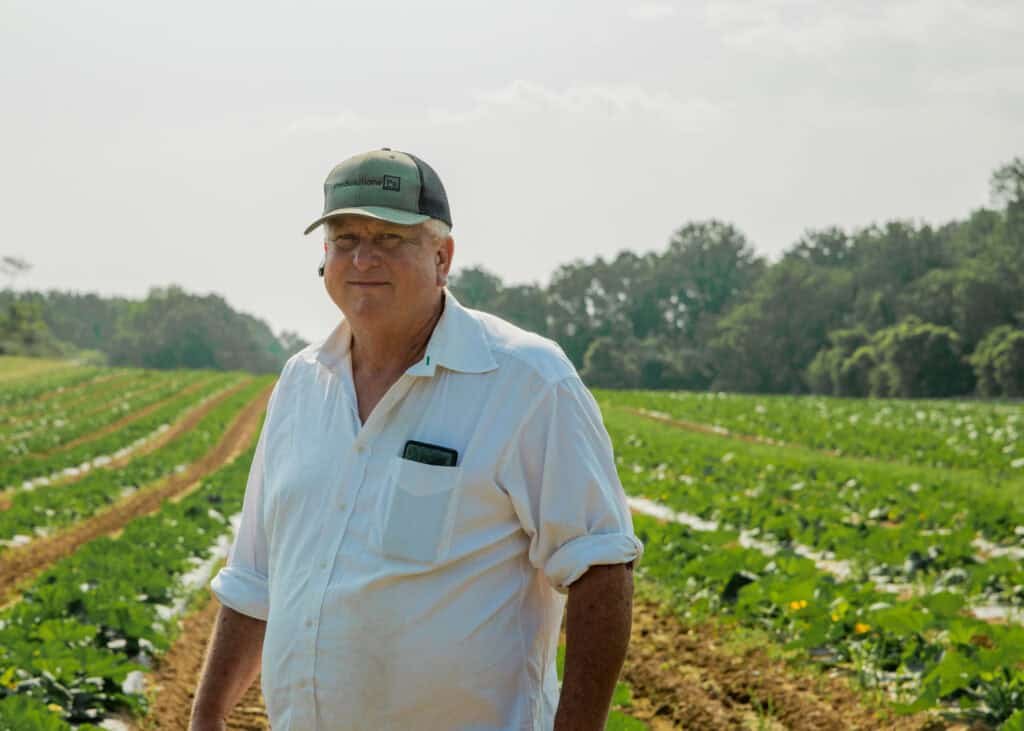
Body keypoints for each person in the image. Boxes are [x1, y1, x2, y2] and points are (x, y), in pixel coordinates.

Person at [189, 148, 643, 731]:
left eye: (389, 237)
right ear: (324, 255)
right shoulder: (302, 384)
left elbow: (600, 567)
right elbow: (256, 578)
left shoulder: (526, 381)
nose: (363, 257)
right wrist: (205, 719)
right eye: (346, 237)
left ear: (443, 256)